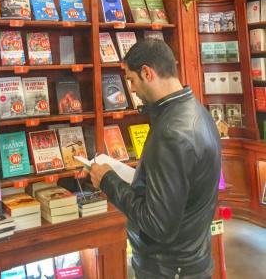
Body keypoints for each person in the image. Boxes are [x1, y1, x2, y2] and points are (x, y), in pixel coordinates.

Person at [90, 39, 221, 279]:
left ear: (147, 73)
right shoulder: (196, 112)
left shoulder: (171, 132)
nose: (130, 89)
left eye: (130, 79)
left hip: (169, 269)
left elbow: (158, 225)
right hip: (191, 259)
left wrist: (108, 180)